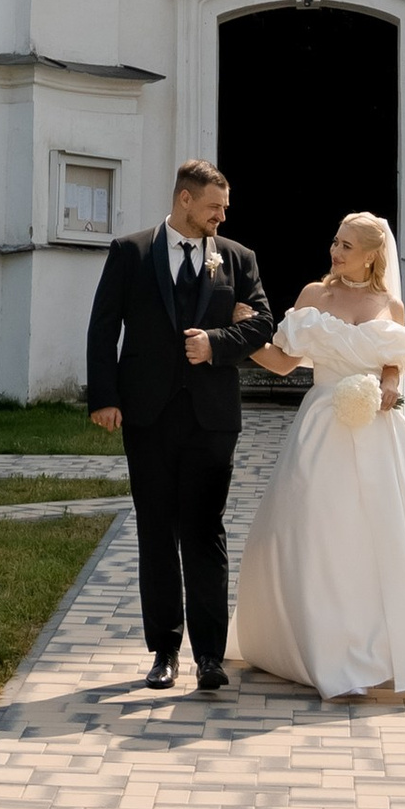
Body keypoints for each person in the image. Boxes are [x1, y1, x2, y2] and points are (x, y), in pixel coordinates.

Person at [231, 209, 405, 698]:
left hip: (380, 432)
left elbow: (394, 366)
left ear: (373, 255)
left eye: (347, 246)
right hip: (321, 430)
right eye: (335, 242)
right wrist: (243, 334)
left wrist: (389, 388)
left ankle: (387, 644)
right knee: (321, 530)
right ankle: (320, 644)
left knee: (389, 532)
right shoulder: (313, 297)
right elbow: (281, 364)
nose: (335, 252)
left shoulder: (389, 306)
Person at [85, 158, 272, 691]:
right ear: (184, 200)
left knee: (205, 530)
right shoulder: (131, 252)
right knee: (156, 532)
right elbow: (104, 327)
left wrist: (217, 344)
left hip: (212, 421)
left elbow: (263, 321)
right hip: (145, 416)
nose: (222, 217)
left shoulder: (238, 258)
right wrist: (105, 396)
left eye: (226, 208)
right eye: (215, 207)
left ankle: (210, 656)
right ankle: (163, 650)